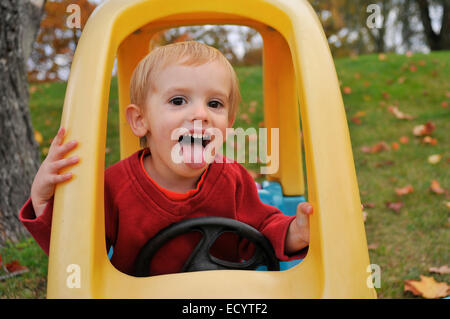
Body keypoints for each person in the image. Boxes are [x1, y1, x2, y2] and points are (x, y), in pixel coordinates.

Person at [19, 41, 314, 276]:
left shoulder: (231, 176)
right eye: (178, 101)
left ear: (229, 123)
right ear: (140, 120)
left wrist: (294, 232)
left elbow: (263, 227)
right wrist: (43, 200)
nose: (200, 114)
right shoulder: (115, 186)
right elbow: (75, 254)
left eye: (214, 103)